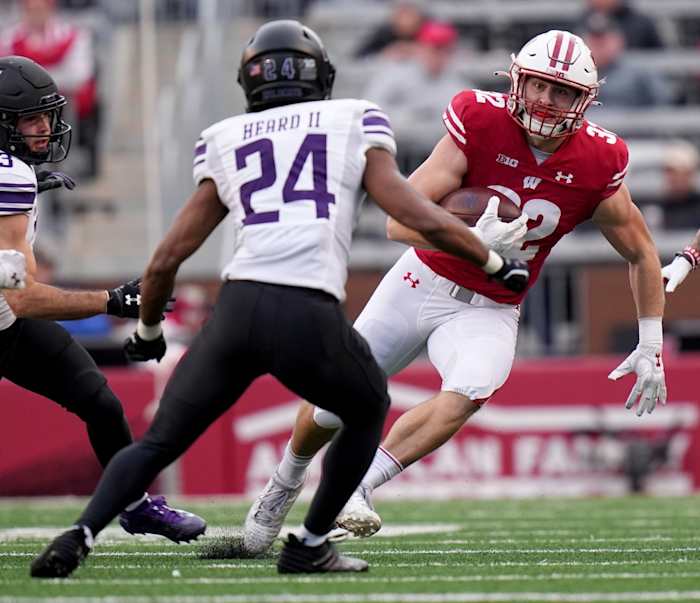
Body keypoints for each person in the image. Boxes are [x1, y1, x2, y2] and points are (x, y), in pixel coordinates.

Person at [30, 19, 530, 578]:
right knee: (367, 406)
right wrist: (493, 260)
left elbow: (168, 256)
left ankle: (79, 534)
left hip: (237, 310)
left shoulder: (225, 137)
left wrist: (147, 331)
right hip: (304, 309)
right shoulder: (353, 120)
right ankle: (311, 542)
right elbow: (412, 213)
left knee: (158, 443)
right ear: (322, 76)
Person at [241, 28, 668, 552]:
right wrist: (471, 241)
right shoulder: (481, 120)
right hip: (422, 279)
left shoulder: (598, 160)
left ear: (585, 100)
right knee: (334, 400)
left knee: (470, 389)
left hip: (490, 306)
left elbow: (641, 251)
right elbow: (398, 222)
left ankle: (358, 484)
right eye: (537, 85)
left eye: (562, 92)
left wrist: (651, 339)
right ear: (517, 80)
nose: (544, 100)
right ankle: (284, 482)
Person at [0, 55, 205, 557]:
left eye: (47, 116)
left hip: (5, 322)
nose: (44, 128)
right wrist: (113, 300)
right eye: (30, 119)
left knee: (100, 402)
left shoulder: (15, 174)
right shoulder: (10, 177)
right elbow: (24, 295)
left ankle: (134, 504)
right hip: (10, 312)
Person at [1, 0, 101, 177]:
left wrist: (30, 82)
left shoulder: (71, 35)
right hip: (19, 113)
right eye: (31, 10)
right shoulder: (9, 37)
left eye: (41, 9)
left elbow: (78, 76)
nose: (36, 14)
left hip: (64, 107)